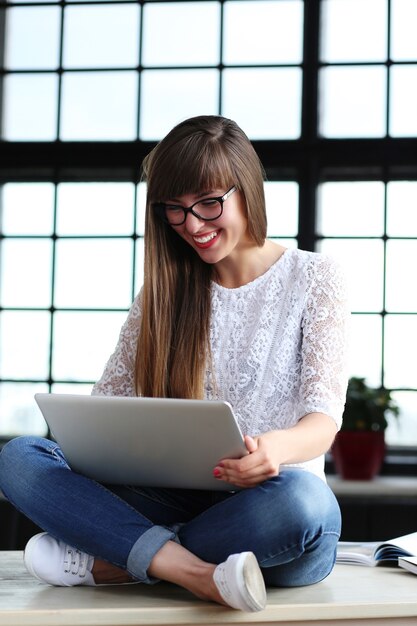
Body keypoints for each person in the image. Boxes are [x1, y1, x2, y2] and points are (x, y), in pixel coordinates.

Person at [0, 115, 350, 613]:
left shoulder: (316, 278)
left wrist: (275, 448)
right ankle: (194, 572)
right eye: (176, 210)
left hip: (267, 513)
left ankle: (119, 560)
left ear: (247, 188)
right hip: (172, 496)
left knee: (305, 502)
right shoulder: (163, 295)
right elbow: (105, 412)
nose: (193, 225)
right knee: (20, 458)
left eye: (209, 203)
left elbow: (322, 420)